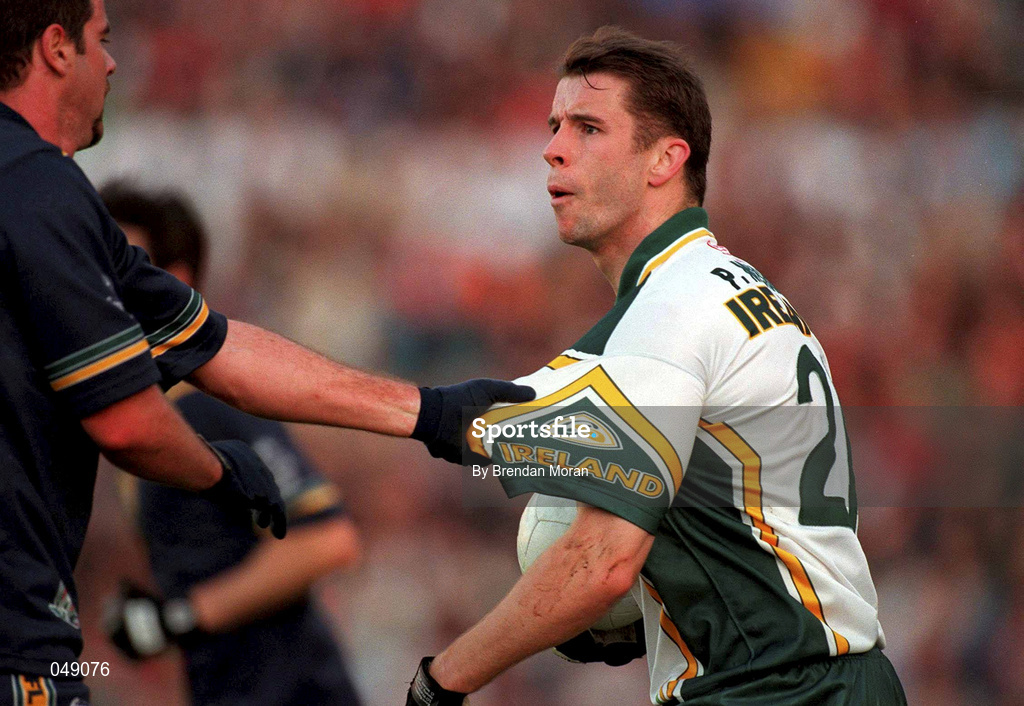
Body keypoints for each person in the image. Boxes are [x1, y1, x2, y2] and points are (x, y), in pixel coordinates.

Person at [0, 1, 533, 704]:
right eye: (102, 40)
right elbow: (129, 423)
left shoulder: (55, 209)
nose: (115, 62)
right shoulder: (39, 189)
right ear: (55, 48)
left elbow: (218, 347)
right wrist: (220, 478)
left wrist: (429, 412)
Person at [405, 27, 907, 706]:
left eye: (587, 127)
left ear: (666, 160)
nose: (551, 147)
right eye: (554, 125)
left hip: (774, 688)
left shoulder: (669, 311)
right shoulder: (738, 288)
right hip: (838, 674)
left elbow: (603, 563)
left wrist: (443, 681)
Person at [98, 183, 364, 705]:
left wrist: (180, 616)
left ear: (169, 283)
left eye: (114, 265)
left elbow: (327, 538)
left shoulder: (208, 407)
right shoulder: (143, 416)